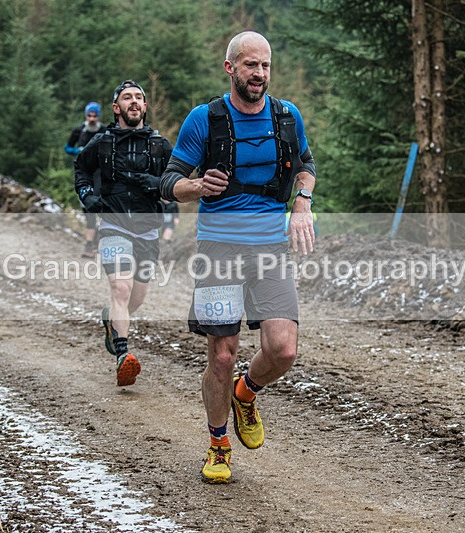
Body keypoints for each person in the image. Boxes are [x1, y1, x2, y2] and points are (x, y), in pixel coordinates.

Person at [160, 31, 316, 483]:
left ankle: (245, 394)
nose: (260, 75)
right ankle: (218, 444)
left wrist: (301, 203)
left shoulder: (287, 117)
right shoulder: (203, 119)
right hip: (219, 248)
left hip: (270, 247)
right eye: (251, 66)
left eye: (265, 66)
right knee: (222, 356)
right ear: (230, 68)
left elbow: (305, 165)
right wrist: (195, 188)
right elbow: (169, 181)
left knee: (283, 350)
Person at [75, 81, 172, 386]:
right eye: (127, 98)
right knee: (121, 289)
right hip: (114, 223)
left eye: (139, 98)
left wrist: (159, 187)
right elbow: (81, 170)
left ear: (145, 107)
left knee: (136, 298)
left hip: (147, 228)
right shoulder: (102, 143)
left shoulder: (160, 144)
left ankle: (112, 320)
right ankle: (122, 355)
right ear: (116, 108)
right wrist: (89, 198)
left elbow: (175, 181)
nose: (134, 102)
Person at [66, 102, 104, 257]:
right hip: (83, 174)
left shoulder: (104, 130)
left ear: (99, 116)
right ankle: (91, 245)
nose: (92, 118)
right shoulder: (79, 130)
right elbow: (67, 148)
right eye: (90, 115)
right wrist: (78, 150)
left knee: (100, 209)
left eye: (95, 116)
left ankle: (95, 244)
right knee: (87, 210)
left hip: (101, 176)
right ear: (86, 115)